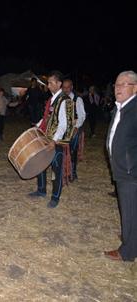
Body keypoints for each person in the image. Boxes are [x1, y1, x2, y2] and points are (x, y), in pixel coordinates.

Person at [104, 70, 137, 262]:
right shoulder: (121, 107)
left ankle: (127, 252)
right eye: (116, 84)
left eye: (123, 84)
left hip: (130, 171)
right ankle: (131, 238)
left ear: (135, 88)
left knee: (129, 208)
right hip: (122, 167)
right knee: (129, 208)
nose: (118, 88)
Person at [28, 71, 74, 208]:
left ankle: (55, 197)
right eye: (48, 83)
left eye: (50, 83)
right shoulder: (52, 100)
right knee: (40, 164)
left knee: (56, 169)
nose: (48, 85)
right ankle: (41, 190)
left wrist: (54, 141)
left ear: (59, 84)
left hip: (56, 142)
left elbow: (64, 124)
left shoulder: (65, 101)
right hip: (46, 138)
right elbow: (47, 118)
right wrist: (36, 127)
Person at [62, 79, 86, 181]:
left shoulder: (78, 100)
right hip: (63, 130)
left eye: (68, 87)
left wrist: (76, 127)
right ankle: (64, 172)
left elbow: (82, 115)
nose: (66, 89)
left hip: (74, 130)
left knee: (72, 151)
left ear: (71, 87)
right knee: (63, 151)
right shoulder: (61, 99)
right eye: (64, 87)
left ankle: (72, 173)